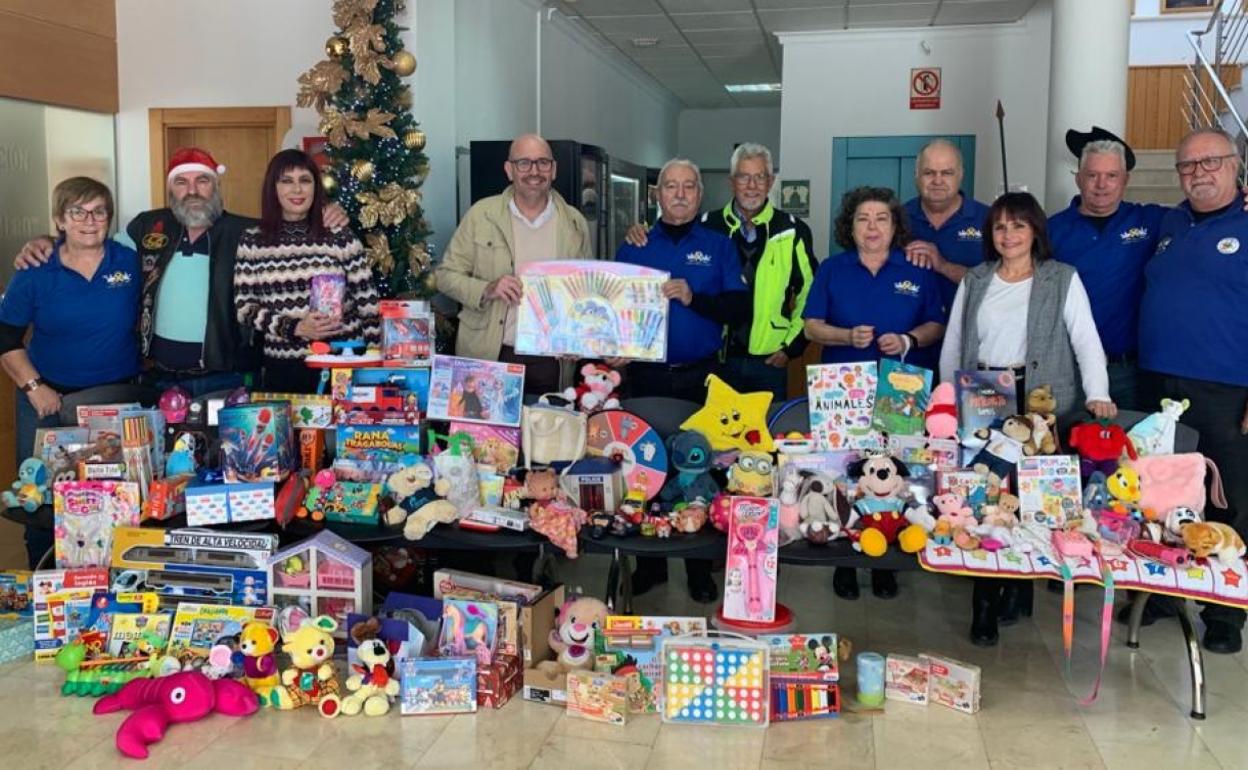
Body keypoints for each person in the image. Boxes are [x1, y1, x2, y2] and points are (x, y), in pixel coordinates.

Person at [13, 146, 348, 397]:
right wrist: (45, 241)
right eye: (182, 182)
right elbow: (91, 244)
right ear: (171, 189)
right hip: (158, 379)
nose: (192, 190)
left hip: (229, 377)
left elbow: (300, 242)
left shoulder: (250, 233)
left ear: (215, 187)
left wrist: (330, 211)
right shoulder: (147, 226)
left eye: (202, 180)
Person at [939, 191, 1115, 646]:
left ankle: (1017, 589)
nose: (1009, 235)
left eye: (1018, 225)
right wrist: (944, 399)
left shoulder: (1061, 279)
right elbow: (955, 344)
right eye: (1000, 227)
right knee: (987, 496)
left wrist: (1099, 394)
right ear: (990, 235)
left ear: (1035, 230)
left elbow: (1086, 341)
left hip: (1042, 406)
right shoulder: (976, 280)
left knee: (1031, 498)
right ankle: (985, 605)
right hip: (984, 400)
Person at [615, 158, 750, 603]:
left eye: (688, 186)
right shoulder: (634, 245)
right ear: (657, 194)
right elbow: (613, 312)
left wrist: (695, 297)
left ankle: (697, 567)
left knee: (699, 471)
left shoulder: (720, 245)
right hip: (645, 376)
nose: (678, 194)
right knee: (646, 472)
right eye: (670, 186)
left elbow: (739, 311)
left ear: (700, 194)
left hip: (700, 377)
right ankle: (650, 564)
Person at [803, 186, 945, 601]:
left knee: (891, 476)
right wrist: (845, 334)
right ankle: (845, 563)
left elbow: (935, 324)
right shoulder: (833, 268)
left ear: (895, 225)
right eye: (863, 218)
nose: (872, 226)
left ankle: (885, 565)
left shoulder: (916, 269)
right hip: (840, 388)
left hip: (899, 388)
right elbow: (811, 326)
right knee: (844, 475)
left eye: (881, 218)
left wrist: (906, 340)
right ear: (850, 226)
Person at [1138, 127, 1248, 655]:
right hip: (1159, 382)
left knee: (1232, 505)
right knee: (1165, 495)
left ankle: (1225, 613)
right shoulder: (1170, 221)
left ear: (1235, 164)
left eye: (1211, 162)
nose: (1199, 172)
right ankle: (1163, 592)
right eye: (1188, 166)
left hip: (1228, 389)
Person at [0, 177, 140, 567]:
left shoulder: (129, 262)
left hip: (115, 400)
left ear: (109, 218)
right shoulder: (35, 269)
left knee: (112, 500)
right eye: (77, 211)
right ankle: (41, 586)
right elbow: (5, 337)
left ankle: (112, 585)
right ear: (60, 220)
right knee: (42, 501)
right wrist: (34, 386)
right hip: (46, 401)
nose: (89, 220)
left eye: (99, 211)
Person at [623, 143, 816, 400]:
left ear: (771, 182)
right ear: (732, 182)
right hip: (718, 362)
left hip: (768, 360)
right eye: (744, 177)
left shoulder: (792, 230)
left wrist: (791, 349)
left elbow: (809, 294)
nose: (751, 185)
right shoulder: (708, 225)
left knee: (764, 436)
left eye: (759, 177)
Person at [435, 133, 592, 394]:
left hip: (551, 362)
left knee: (546, 432)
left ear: (553, 170)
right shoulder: (480, 216)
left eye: (543, 163)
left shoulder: (574, 223)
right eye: (524, 163)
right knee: (483, 435)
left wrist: (579, 336)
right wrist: (487, 288)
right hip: (489, 355)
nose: (534, 171)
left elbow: (585, 291)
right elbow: (444, 276)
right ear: (509, 170)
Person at [234, 149, 380, 393]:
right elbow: (244, 308)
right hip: (283, 368)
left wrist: (375, 359)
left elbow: (368, 302)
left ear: (316, 187)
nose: (297, 190)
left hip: (342, 362)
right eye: (286, 181)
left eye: (305, 180)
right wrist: (294, 327)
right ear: (273, 188)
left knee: (343, 432)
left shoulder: (338, 234)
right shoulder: (253, 241)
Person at [1047, 128, 1167, 411]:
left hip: (1127, 370)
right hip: (1069, 370)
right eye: (1092, 175)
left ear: (1125, 180)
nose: (1101, 184)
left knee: (1130, 452)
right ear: (1078, 178)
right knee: (1066, 450)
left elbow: (1204, 214)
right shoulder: (1051, 229)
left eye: (1111, 175)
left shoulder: (1151, 220)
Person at [903, 139, 992, 317]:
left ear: (960, 175)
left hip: (970, 334)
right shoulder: (895, 219)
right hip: (907, 338)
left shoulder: (990, 220)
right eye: (929, 173)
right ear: (916, 175)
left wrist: (944, 266)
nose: (938, 180)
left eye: (947, 173)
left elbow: (1003, 285)